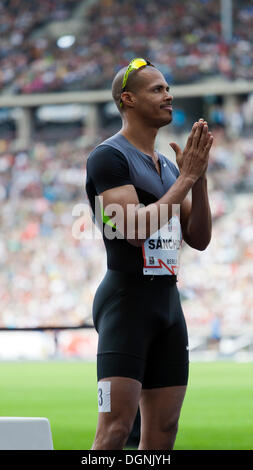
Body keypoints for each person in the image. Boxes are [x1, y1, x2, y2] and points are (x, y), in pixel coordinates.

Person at [85, 58, 213, 450]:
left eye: (167, 87)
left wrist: (199, 178)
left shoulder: (168, 169)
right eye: (157, 89)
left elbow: (199, 237)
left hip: (167, 304)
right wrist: (187, 178)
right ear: (128, 99)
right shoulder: (109, 157)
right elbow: (133, 227)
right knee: (115, 432)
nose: (168, 95)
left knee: (162, 434)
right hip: (126, 303)